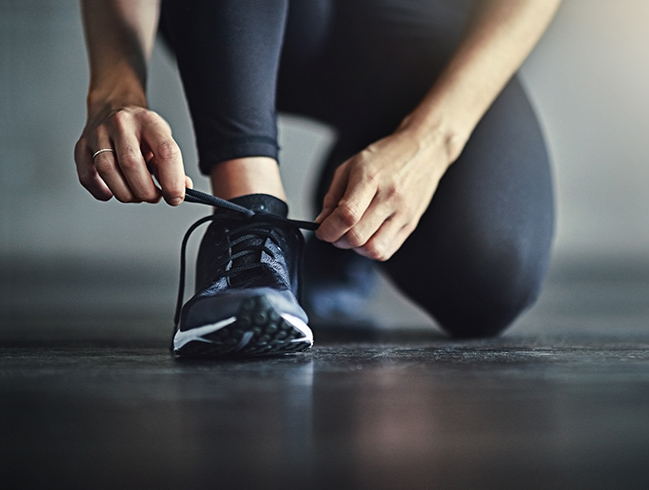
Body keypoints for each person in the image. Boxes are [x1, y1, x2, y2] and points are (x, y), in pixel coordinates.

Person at [74, 0, 560, 357]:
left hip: (424, 30)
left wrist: (431, 141)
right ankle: (250, 228)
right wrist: (114, 90)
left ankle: (345, 212)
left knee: (490, 281)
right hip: (243, 22)